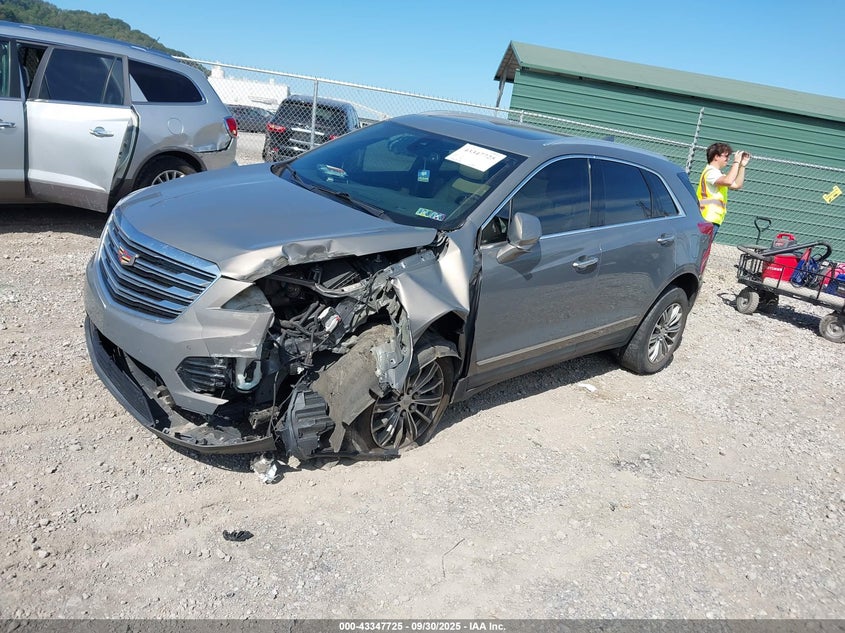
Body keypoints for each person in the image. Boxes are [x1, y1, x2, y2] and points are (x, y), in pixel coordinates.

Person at [696, 142, 752, 235]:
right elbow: (728, 181)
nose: (728, 159)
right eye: (726, 156)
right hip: (707, 218)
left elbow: (737, 185)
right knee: (701, 244)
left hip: (712, 219)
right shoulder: (710, 172)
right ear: (716, 157)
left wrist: (742, 166)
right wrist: (736, 162)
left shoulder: (718, 174)